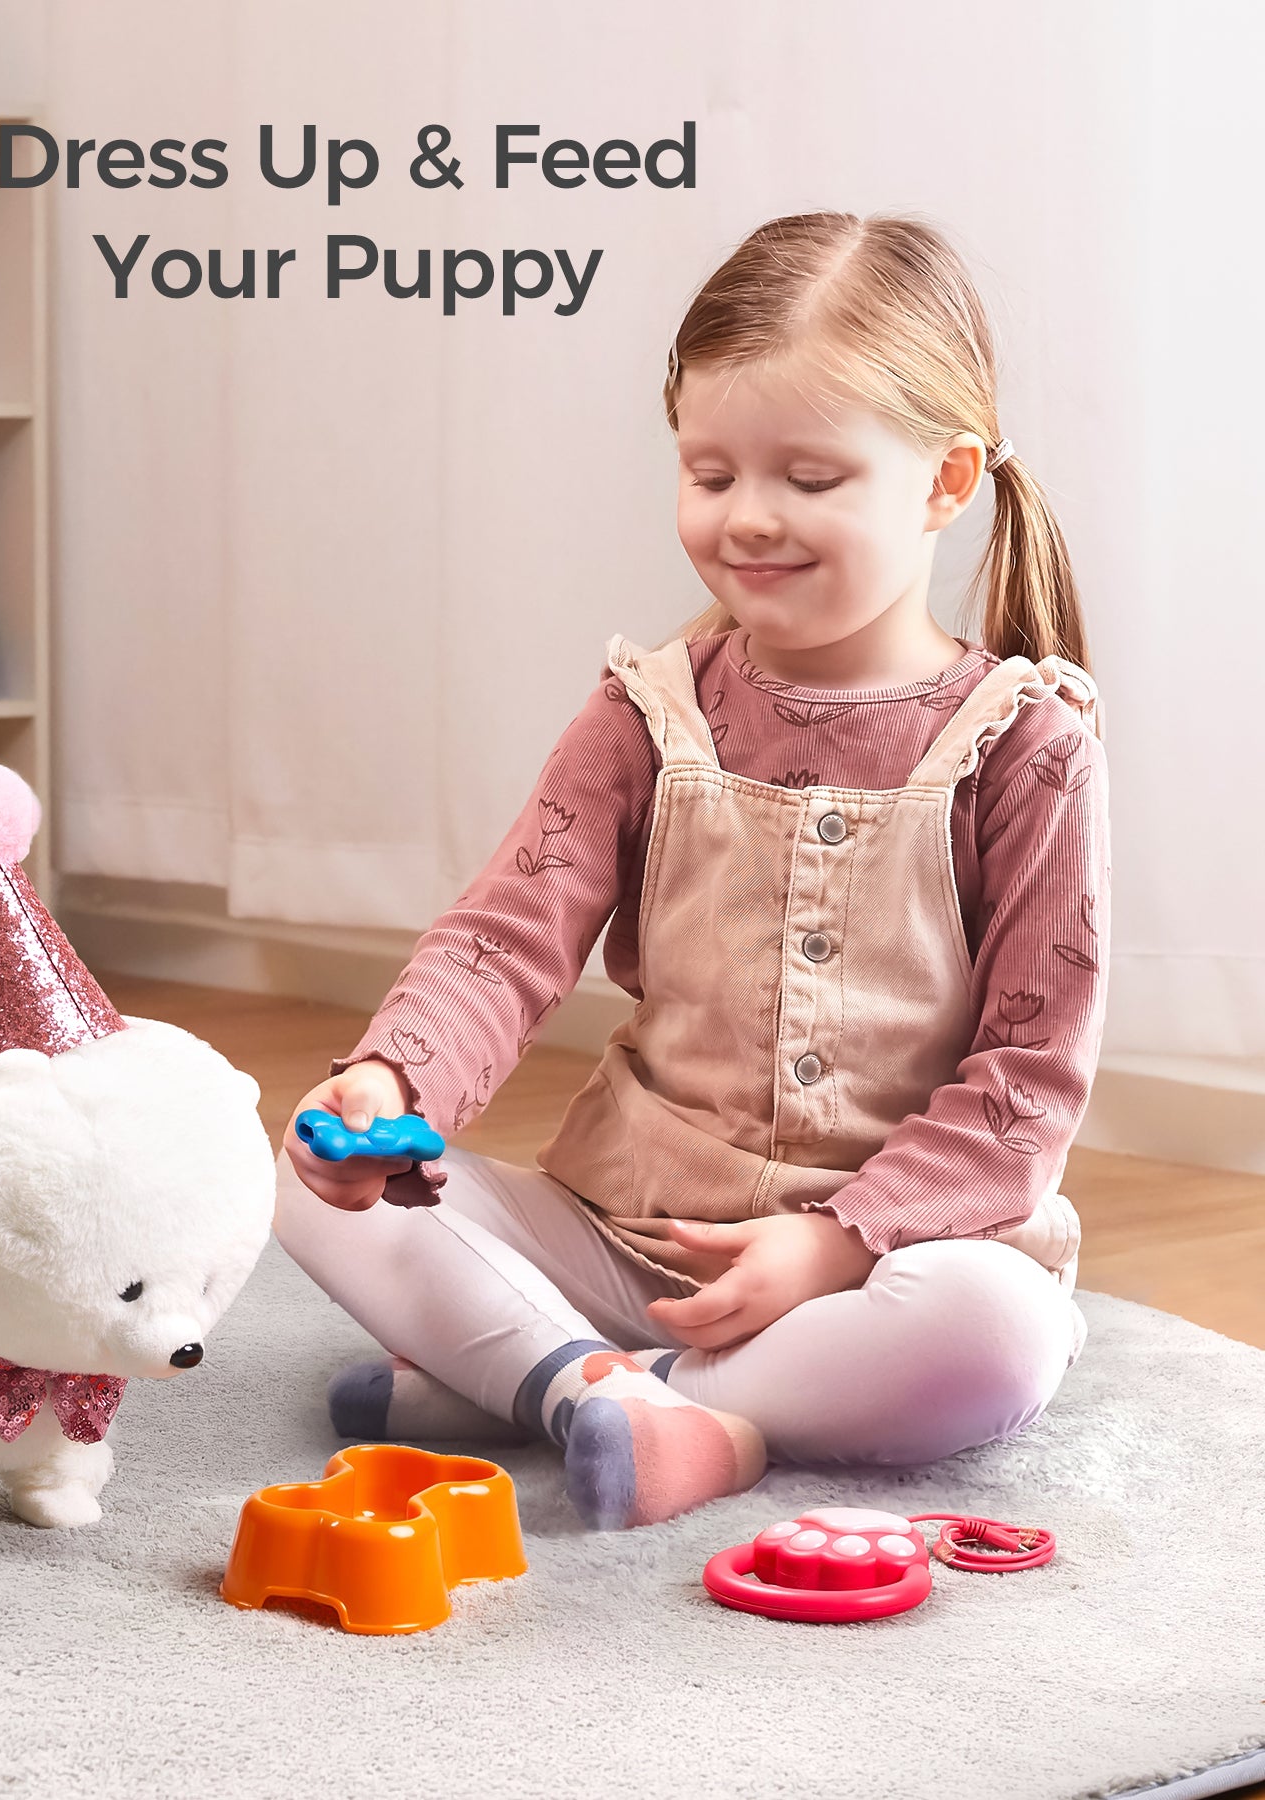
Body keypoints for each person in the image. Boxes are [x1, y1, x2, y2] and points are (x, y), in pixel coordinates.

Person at [274, 211, 1112, 1532]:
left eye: (812, 480)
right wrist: (396, 1079)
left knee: (999, 1338)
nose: (748, 519)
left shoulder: (1029, 749)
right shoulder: (648, 708)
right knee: (311, 1185)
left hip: (876, 1272)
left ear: (947, 483)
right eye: (710, 473)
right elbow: (507, 936)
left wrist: (832, 1244)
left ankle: (559, 1385)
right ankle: (619, 1387)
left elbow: (1027, 1079)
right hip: (622, 1236)